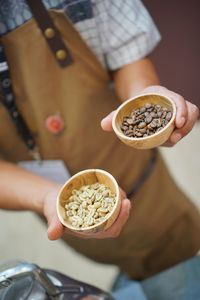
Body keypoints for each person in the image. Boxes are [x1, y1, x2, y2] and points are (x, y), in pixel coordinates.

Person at [0, 0, 200, 281]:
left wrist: (143, 95)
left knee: (175, 265)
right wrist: (48, 197)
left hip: (145, 188)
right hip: (61, 206)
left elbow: (127, 55)